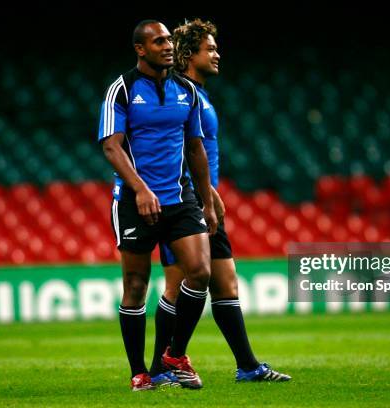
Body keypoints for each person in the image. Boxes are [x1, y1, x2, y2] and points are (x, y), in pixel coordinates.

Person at [147, 18, 291, 386]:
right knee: (176, 287)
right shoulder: (177, 94)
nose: (216, 54)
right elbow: (174, 150)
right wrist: (207, 194)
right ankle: (161, 367)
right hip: (182, 202)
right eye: (209, 48)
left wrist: (210, 195)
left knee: (226, 284)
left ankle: (247, 366)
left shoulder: (200, 94)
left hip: (204, 202)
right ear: (187, 54)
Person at [97, 19, 218, 390]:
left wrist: (208, 200)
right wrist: (141, 190)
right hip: (135, 203)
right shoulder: (121, 89)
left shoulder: (187, 91)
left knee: (199, 273)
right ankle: (139, 373)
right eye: (159, 41)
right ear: (140, 49)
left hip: (180, 199)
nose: (168, 46)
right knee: (136, 285)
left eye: (168, 40)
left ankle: (174, 354)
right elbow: (111, 146)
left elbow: (195, 148)